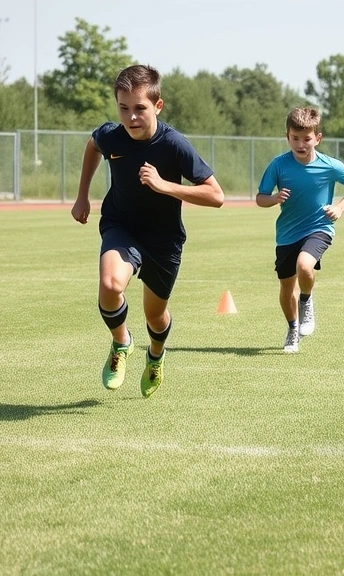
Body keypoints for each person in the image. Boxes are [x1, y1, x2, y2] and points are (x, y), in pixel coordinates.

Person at [70, 64, 224, 398]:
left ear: (157, 105)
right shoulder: (112, 135)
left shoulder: (174, 145)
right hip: (120, 225)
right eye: (123, 108)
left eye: (140, 108)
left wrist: (165, 186)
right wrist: (82, 194)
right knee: (111, 285)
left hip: (164, 240)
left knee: (154, 315)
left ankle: (155, 355)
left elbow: (216, 195)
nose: (131, 117)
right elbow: (93, 145)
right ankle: (121, 342)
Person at [256, 107, 344, 353]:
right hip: (286, 234)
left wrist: (340, 207)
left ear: (318, 138)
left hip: (319, 228)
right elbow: (260, 198)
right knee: (285, 288)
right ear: (287, 136)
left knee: (304, 265)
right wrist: (274, 199)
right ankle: (292, 328)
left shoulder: (329, 165)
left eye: (307, 138)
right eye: (295, 138)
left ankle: (306, 301)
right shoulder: (278, 165)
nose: (301, 144)